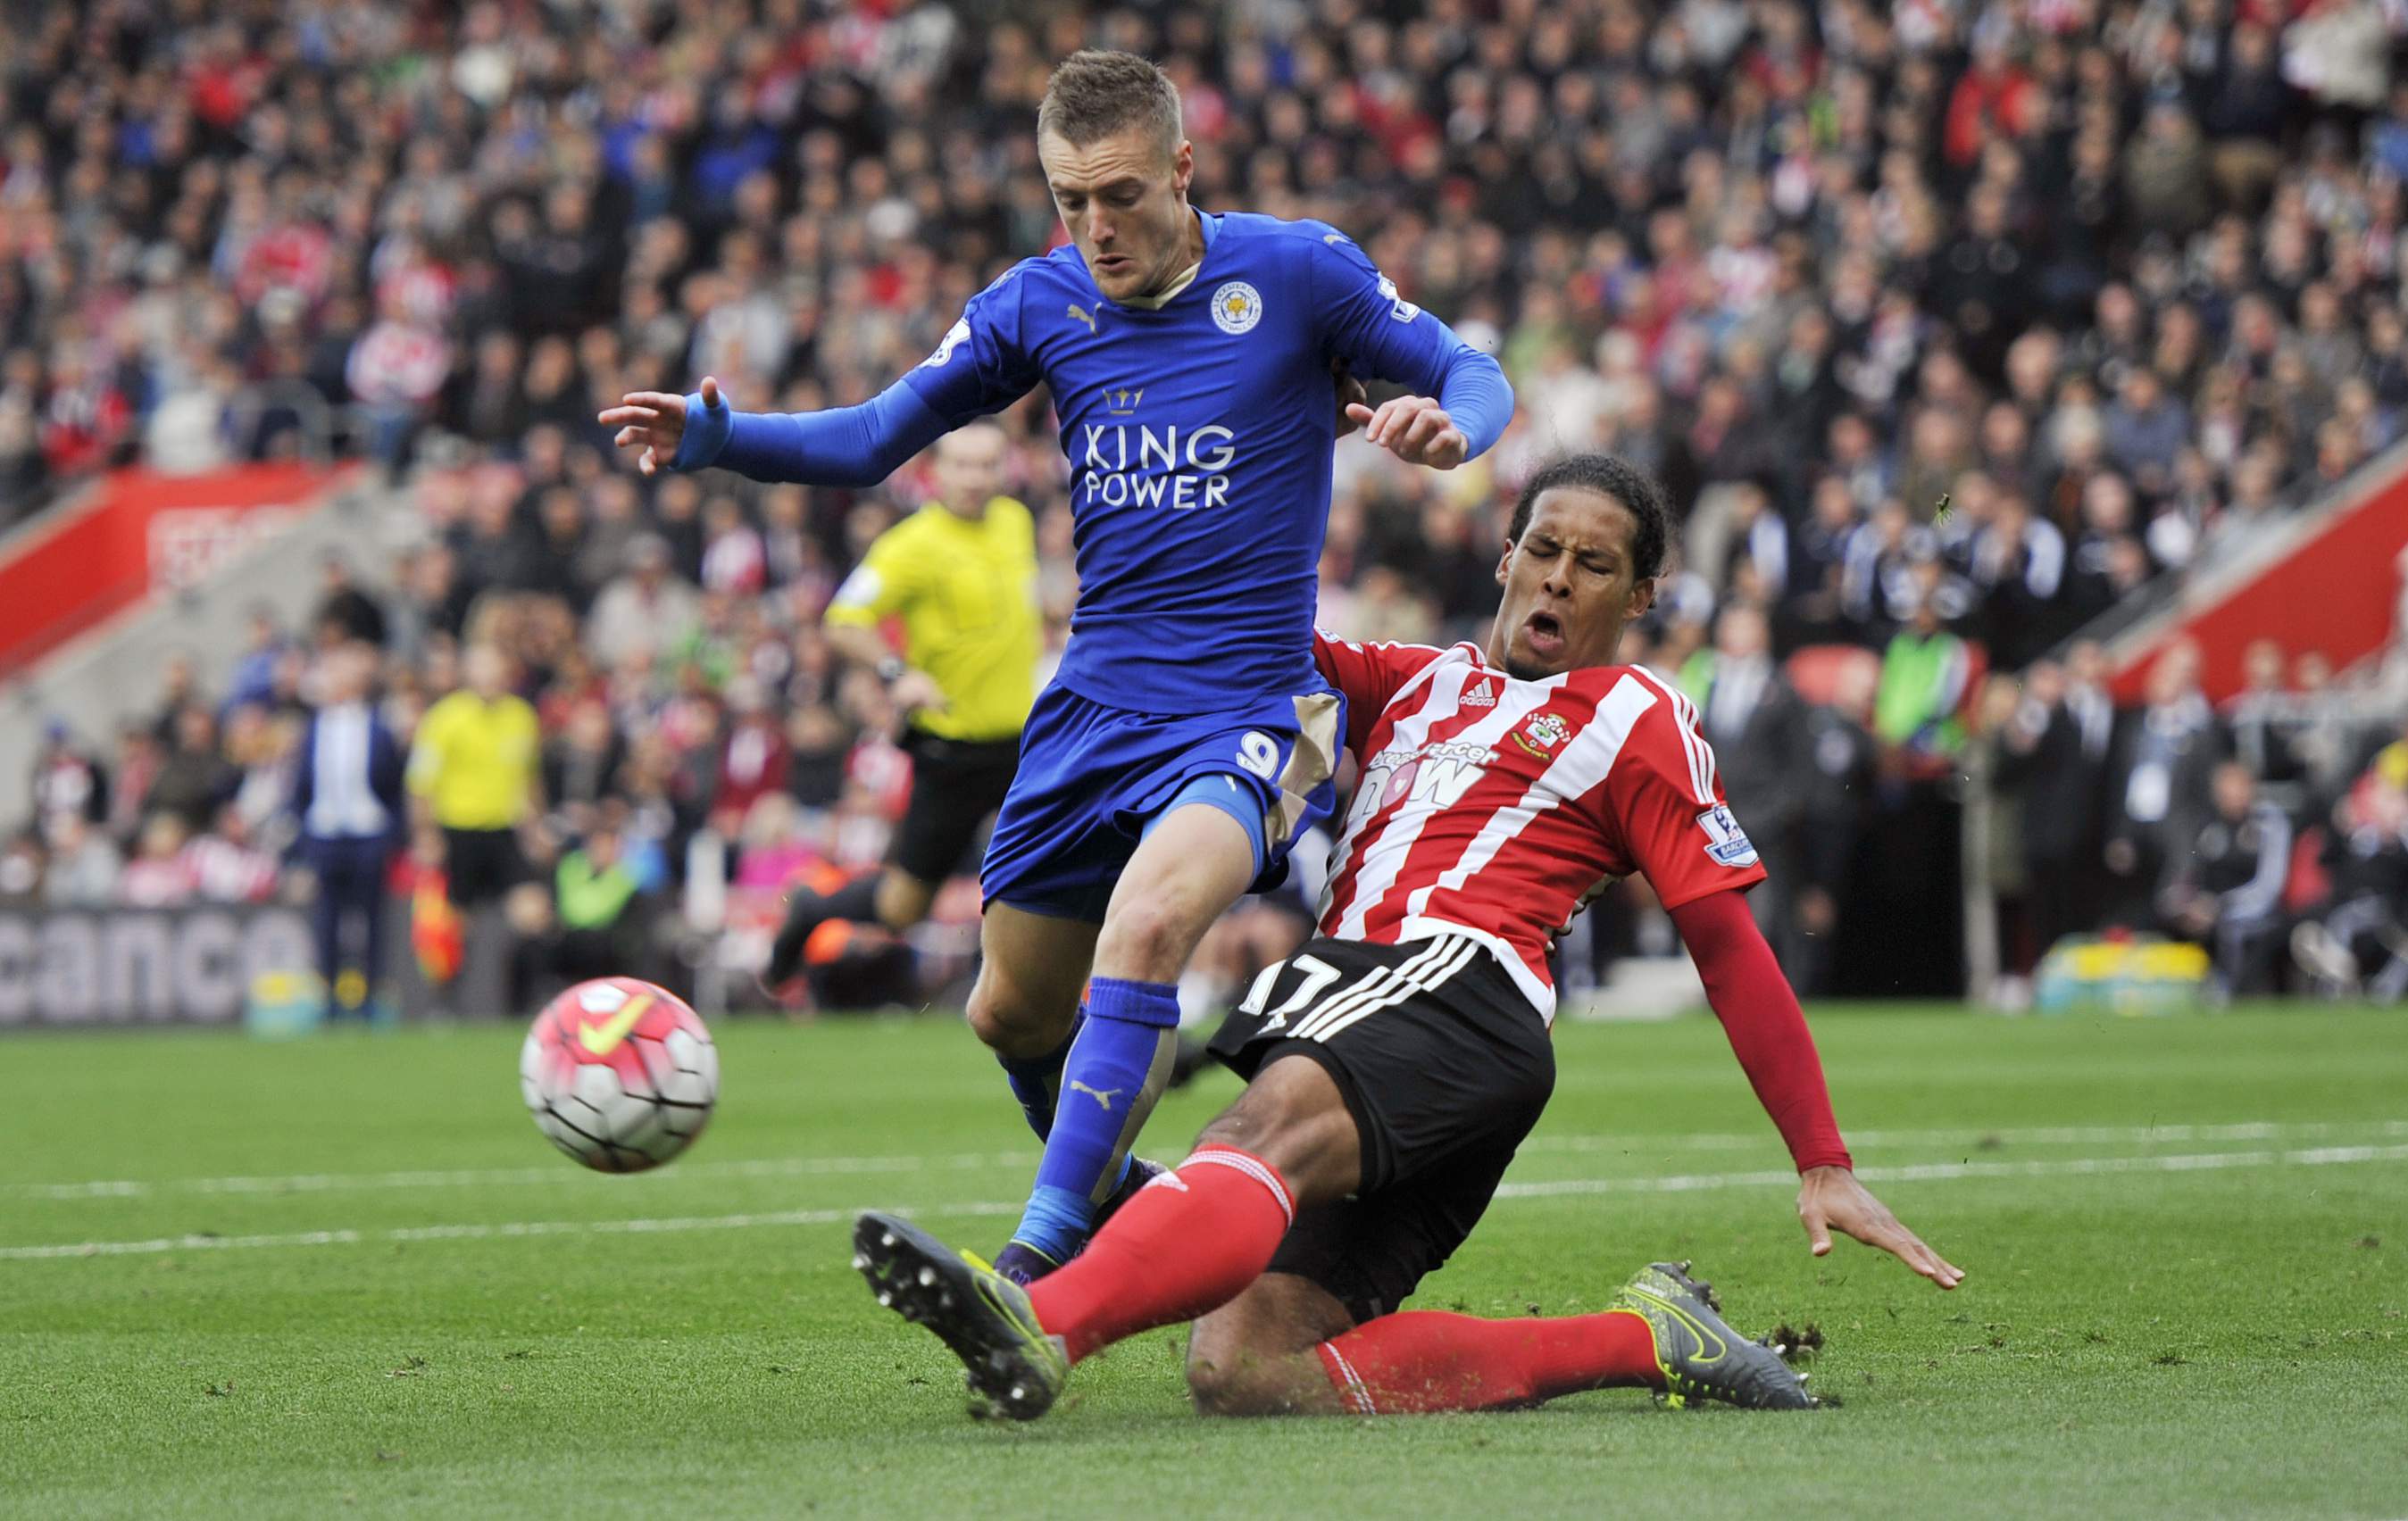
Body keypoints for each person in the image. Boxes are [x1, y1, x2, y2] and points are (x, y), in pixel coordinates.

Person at [604, 50, 1513, 1282]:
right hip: (1090, 709)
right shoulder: (1039, 303)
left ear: (1183, 169)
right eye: (1069, 200)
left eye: (1123, 195)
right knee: (1009, 1014)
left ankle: (1035, 1271)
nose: (1096, 227)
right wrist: (720, 436)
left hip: (1248, 702)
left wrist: (1454, 425)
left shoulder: (1298, 273)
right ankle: (1138, 1210)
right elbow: (876, 436)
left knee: (1142, 930)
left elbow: (1471, 367)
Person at [854, 453, 1960, 1423]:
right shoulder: (1413, 683)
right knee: (1242, 1370)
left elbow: (1725, 943)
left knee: (1262, 1127)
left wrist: (1821, 1157)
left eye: (1595, 565)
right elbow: (1249, 641)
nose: (1560, 578)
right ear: (1506, 560)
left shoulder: (1637, 713)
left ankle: (1035, 1317)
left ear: (1640, 596)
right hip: (1383, 1017)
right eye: (1544, 548)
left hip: (1454, 986)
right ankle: (1650, 1337)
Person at [759, 420, 1039, 997]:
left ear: (1004, 471)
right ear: (934, 473)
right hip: (952, 750)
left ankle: (1102, 1018)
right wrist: (896, 672)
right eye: (961, 464)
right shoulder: (912, 544)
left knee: (1068, 875)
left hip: (1029, 746)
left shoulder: (1016, 523)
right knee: (903, 907)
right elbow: (843, 620)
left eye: (987, 464)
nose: (974, 477)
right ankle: (815, 908)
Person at [406, 643, 543, 1007]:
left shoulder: (521, 716)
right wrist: (426, 834)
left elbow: (529, 780)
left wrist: (536, 827)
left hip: (504, 831)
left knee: (532, 914)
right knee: (457, 926)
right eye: (481, 670)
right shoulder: (444, 718)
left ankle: (521, 1007)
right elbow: (421, 783)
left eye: (495, 669)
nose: (489, 678)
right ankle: (446, 1006)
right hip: (458, 831)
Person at [290, 643, 407, 1019]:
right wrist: (304, 838)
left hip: (368, 834)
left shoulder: (378, 728)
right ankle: (328, 996)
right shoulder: (313, 729)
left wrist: (391, 836)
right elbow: (301, 789)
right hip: (325, 835)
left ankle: (369, 996)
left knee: (371, 919)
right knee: (327, 919)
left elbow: (393, 787)